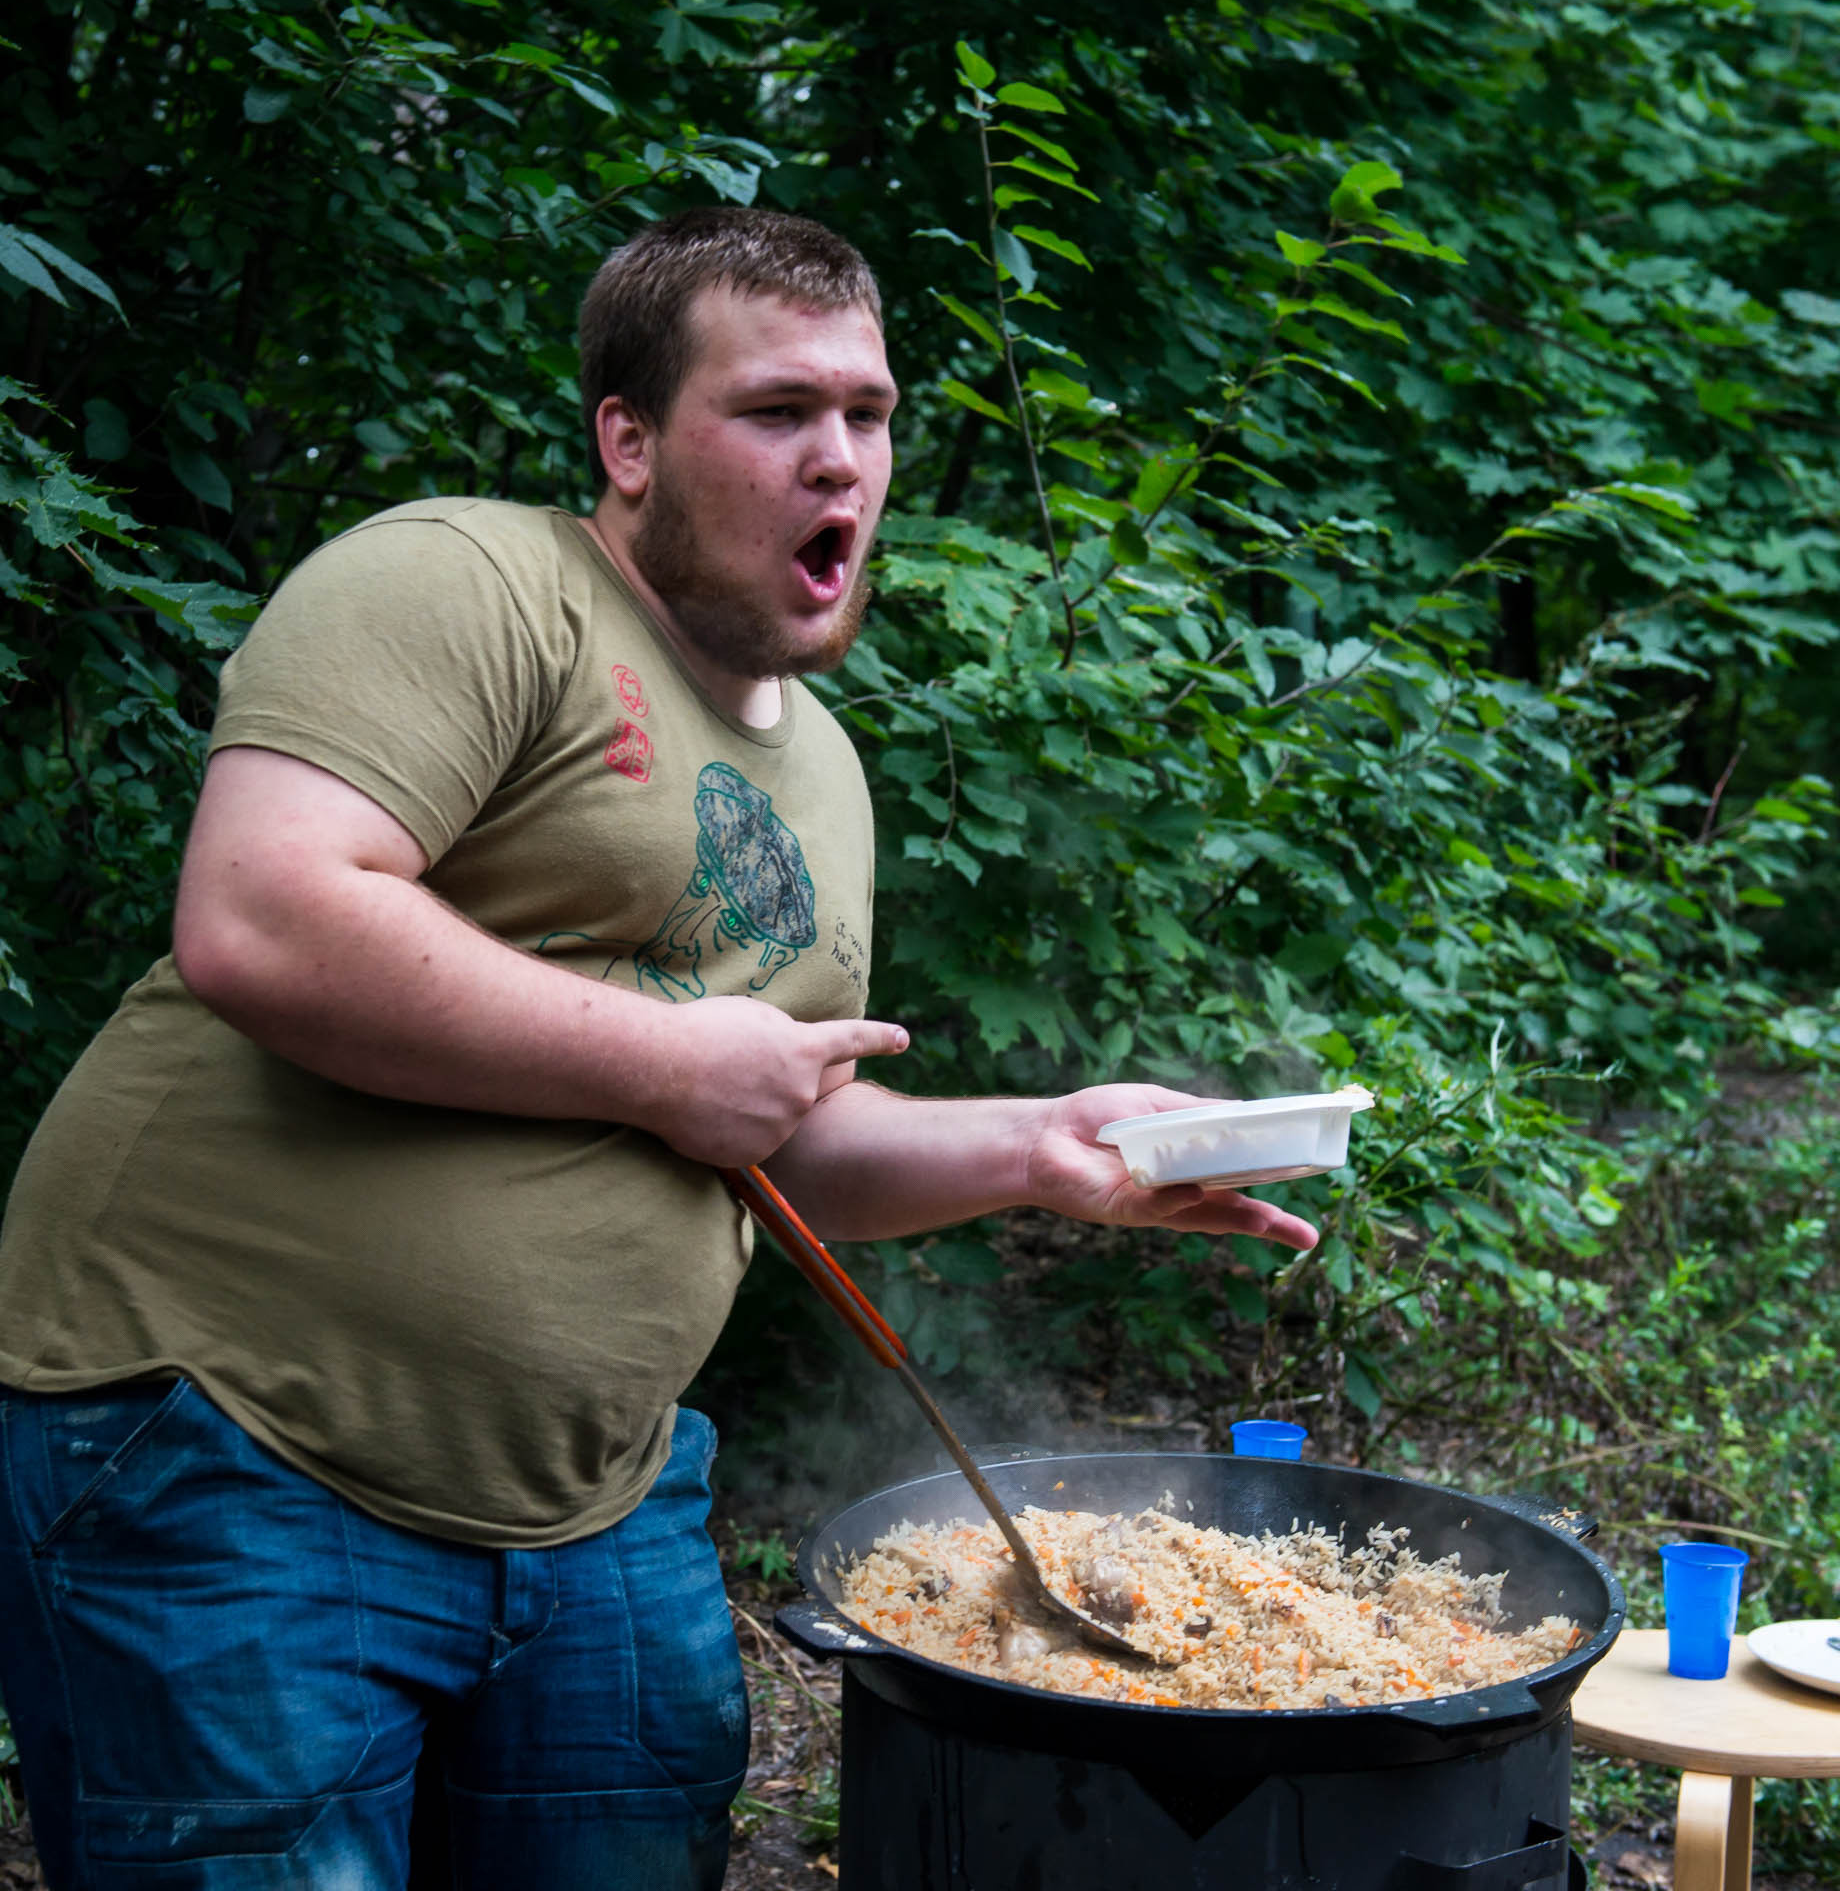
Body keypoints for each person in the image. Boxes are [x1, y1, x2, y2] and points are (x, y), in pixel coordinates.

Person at [0, 208, 1316, 1890]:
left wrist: (1043, 1147)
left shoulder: (826, 772)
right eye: (778, 412)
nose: (840, 459)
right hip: (231, 1449)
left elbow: (773, 1129)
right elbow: (262, 916)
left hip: (597, 1511)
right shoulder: (471, 582)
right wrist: (671, 1058)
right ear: (628, 440)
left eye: (871, 413)